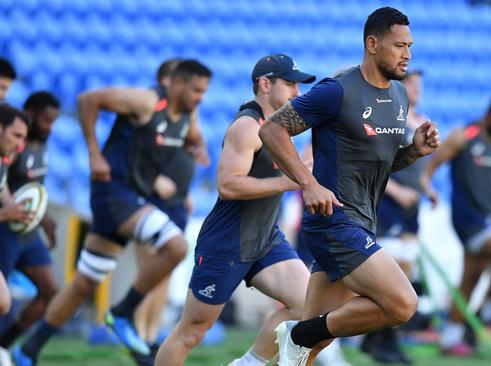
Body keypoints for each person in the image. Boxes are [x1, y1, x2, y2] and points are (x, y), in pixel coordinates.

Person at [259, 8, 440, 366]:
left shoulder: (399, 96)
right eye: (399, 45)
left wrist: (414, 152)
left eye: (410, 46)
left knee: (310, 350)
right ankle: (297, 333)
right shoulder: (337, 91)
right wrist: (308, 184)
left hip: (362, 221)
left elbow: (381, 165)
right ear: (372, 44)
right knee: (403, 304)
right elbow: (271, 130)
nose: (407, 54)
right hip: (334, 221)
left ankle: (298, 339)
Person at [12, 60, 212, 366]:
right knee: (176, 246)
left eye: (204, 92)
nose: (201, 97)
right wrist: (94, 154)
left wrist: (198, 148)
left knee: (85, 282)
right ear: (178, 84)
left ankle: (28, 350)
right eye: (197, 90)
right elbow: (87, 100)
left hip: (128, 200)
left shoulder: (188, 114)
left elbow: (192, 135)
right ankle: (122, 314)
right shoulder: (146, 100)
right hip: (114, 193)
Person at [155, 53, 315, 366]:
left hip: (265, 238)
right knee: (192, 332)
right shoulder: (247, 127)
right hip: (226, 244)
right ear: (265, 84)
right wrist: (289, 183)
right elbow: (228, 186)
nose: (297, 91)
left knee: (307, 305)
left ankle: (246, 364)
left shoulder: (280, 126)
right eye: (290, 83)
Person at [420, 96, 491, 355]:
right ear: (490, 116)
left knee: (470, 279)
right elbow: (431, 165)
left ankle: (451, 338)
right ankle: (490, 312)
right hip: (468, 218)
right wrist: (427, 186)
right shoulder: (464, 136)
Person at [131, 58, 205, 365]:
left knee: (164, 273)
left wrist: (185, 191)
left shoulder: (184, 115)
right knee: (148, 270)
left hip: (176, 202)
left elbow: (193, 146)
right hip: (148, 198)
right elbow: (136, 154)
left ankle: (150, 335)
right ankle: (135, 335)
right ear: (165, 81)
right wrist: (151, 180)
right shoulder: (149, 113)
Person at [360, 69, 427, 364]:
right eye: (412, 84)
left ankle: (380, 337)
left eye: (419, 85)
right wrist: (398, 192)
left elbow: (417, 165)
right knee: (392, 270)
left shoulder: (418, 119)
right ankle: (383, 339)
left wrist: (428, 188)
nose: (417, 90)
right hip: (390, 201)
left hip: (413, 205)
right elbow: (379, 161)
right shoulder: (392, 116)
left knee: (408, 267)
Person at [0, 92, 60, 353]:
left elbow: (13, 195)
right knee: (3, 302)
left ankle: (5, 346)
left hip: (26, 229)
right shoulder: (9, 156)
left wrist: (40, 217)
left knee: (48, 292)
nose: (50, 127)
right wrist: (7, 214)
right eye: (16, 136)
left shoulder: (27, 150)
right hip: (6, 231)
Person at [0, 104, 31, 317]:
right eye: (16, 136)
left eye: (23, 139)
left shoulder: (3, 161)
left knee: (2, 302)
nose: (20, 146)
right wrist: (5, 214)